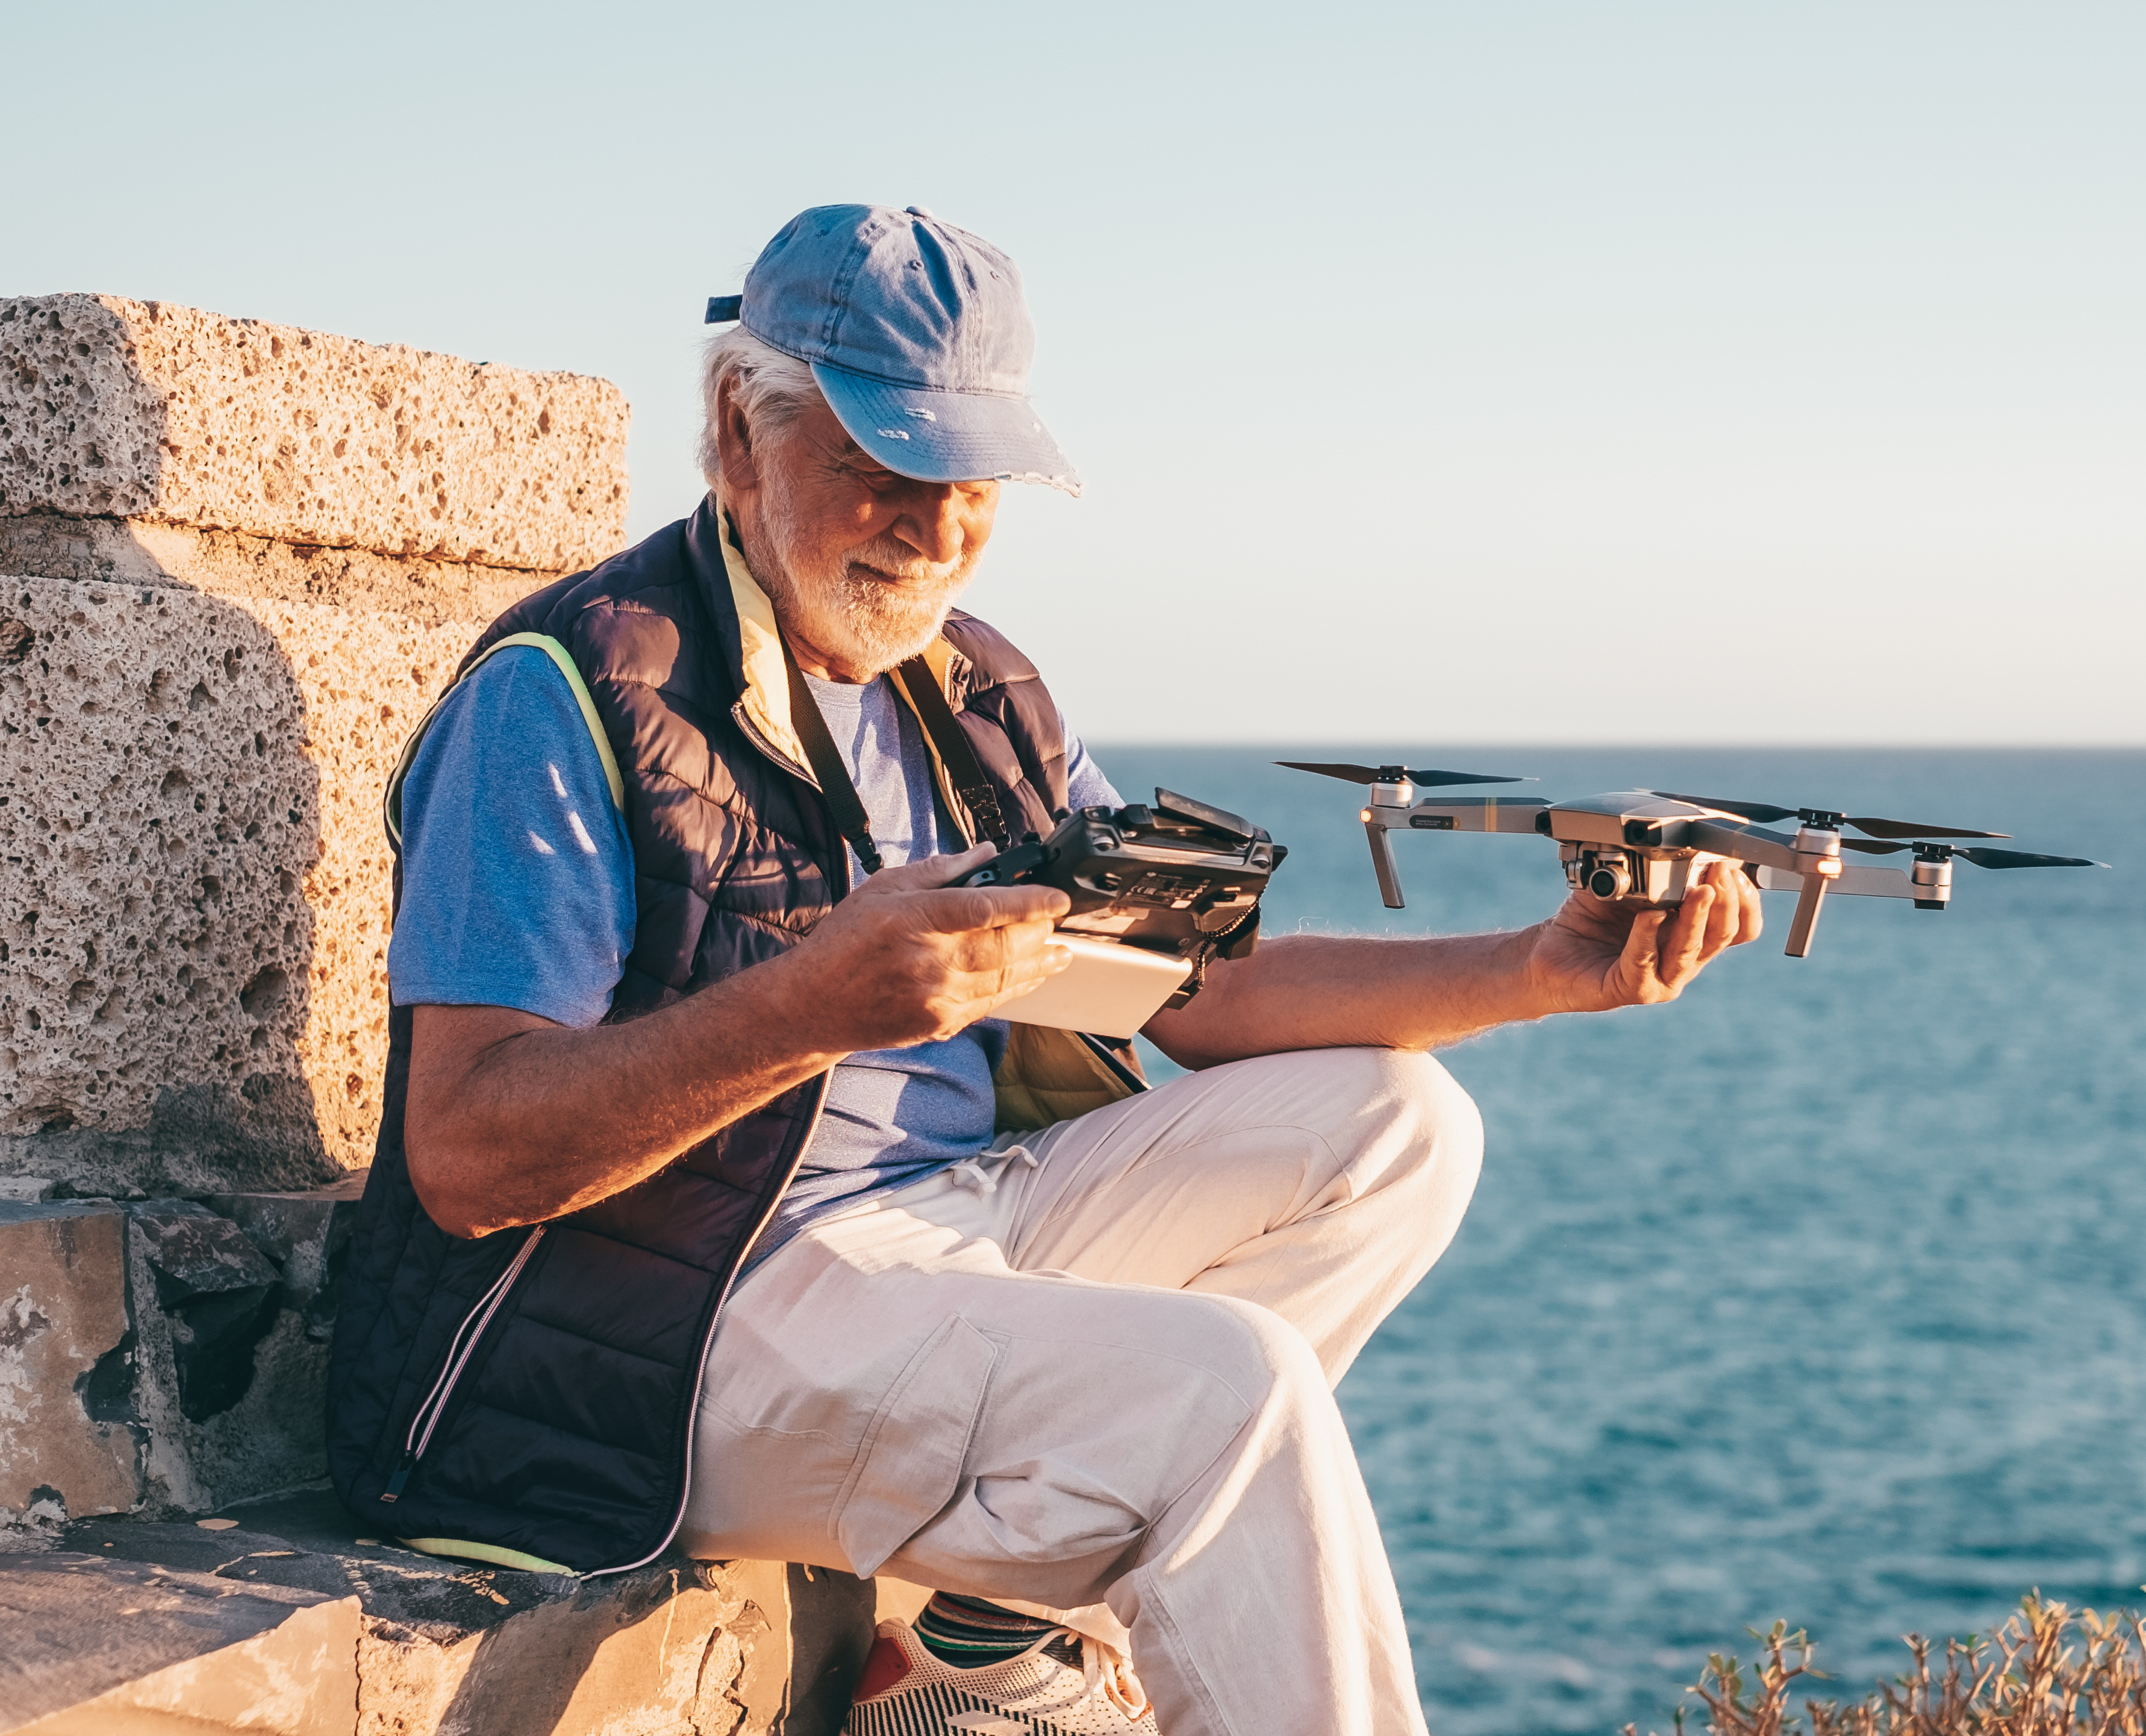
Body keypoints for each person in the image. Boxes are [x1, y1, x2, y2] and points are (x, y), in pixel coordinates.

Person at [327, 204, 1761, 1736]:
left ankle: (978, 1645)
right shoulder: (569, 694)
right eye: (884, 468)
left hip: (936, 1234)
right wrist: (814, 1002)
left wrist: (1545, 965)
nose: (936, 533)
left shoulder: (977, 694)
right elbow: (471, 1155)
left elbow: (1193, 993)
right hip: (672, 1326)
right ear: (739, 432)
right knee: (1229, 1389)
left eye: (974, 482)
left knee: (1403, 1128)